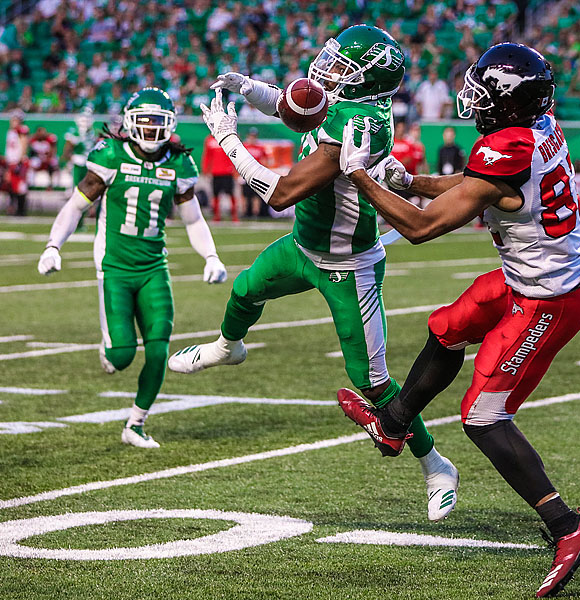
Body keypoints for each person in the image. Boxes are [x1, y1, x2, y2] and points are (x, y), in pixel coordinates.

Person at [335, 43, 580, 598]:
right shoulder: (537, 129)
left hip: (545, 300)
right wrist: (407, 181)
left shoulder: (506, 146)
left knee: (482, 416)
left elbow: (421, 229)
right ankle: (393, 423)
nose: (473, 98)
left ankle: (567, 526)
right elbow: (480, 190)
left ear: (507, 103)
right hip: (527, 280)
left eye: (484, 90)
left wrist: (363, 179)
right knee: (448, 325)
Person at [168, 25, 459, 522]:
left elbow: (280, 194)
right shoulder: (345, 103)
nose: (328, 71)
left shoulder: (360, 125)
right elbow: (295, 104)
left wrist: (227, 139)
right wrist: (249, 88)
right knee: (243, 290)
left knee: (372, 380)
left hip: (348, 267)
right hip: (304, 246)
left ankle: (436, 464)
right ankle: (227, 348)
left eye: (344, 67)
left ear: (369, 82)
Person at [38, 88, 227, 449]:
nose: (153, 130)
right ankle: (110, 350)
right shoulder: (110, 154)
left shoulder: (179, 163)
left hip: (155, 265)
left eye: (160, 122)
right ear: (129, 123)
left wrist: (211, 256)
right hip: (115, 266)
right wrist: (53, 246)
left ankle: (135, 424)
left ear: (170, 125)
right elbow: (75, 207)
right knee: (121, 356)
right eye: (146, 122)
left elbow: (193, 220)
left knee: (159, 349)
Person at [201, 133, 238, 222]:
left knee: (231, 194)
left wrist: (236, 170)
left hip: (227, 172)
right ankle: (216, 215)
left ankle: (234, 216)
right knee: (215, 195)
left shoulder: (229, 137)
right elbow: (207, 156)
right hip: (215, 172)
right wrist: (205, 170)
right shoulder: (209, 139)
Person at [5, 110, 30, 216]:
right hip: (12, 161)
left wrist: (20, 159)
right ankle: (14, 208)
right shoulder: (11, 131)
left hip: (18, 162)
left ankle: (21, 210)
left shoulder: (21, 130)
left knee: (20, 187)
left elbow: (24, 144)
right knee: (12, 186)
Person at [241, 128, 270, 217]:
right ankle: (245, 212)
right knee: (245, 195)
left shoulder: (260, 147)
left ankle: (255, 213)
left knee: (255, 195)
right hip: (245, 173)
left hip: (256, 174)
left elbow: (265, 160)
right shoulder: (244, 146)